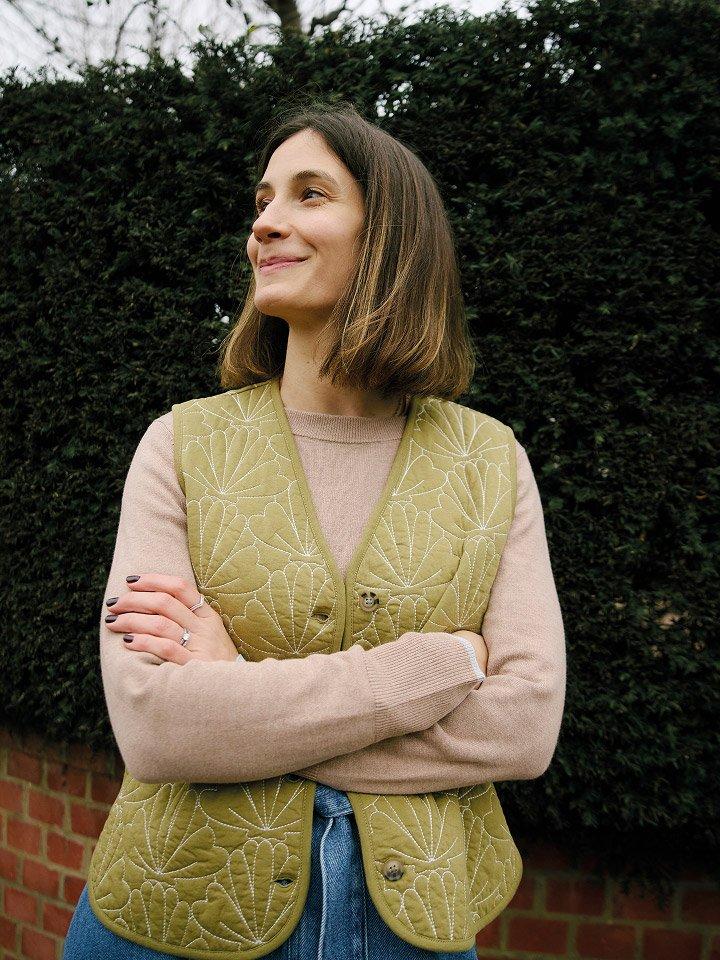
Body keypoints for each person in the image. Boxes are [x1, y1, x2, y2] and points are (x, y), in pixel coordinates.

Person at [62, 98, 566, 960]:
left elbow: (522, 729)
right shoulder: (183, 444)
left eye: (309, 194)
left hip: (411, 928)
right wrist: (441, 664)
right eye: (262, 201)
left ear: (391, 238)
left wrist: (236, 695)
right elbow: (157, 729)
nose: (264, 224)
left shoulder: (490, 459)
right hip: (170, 914)